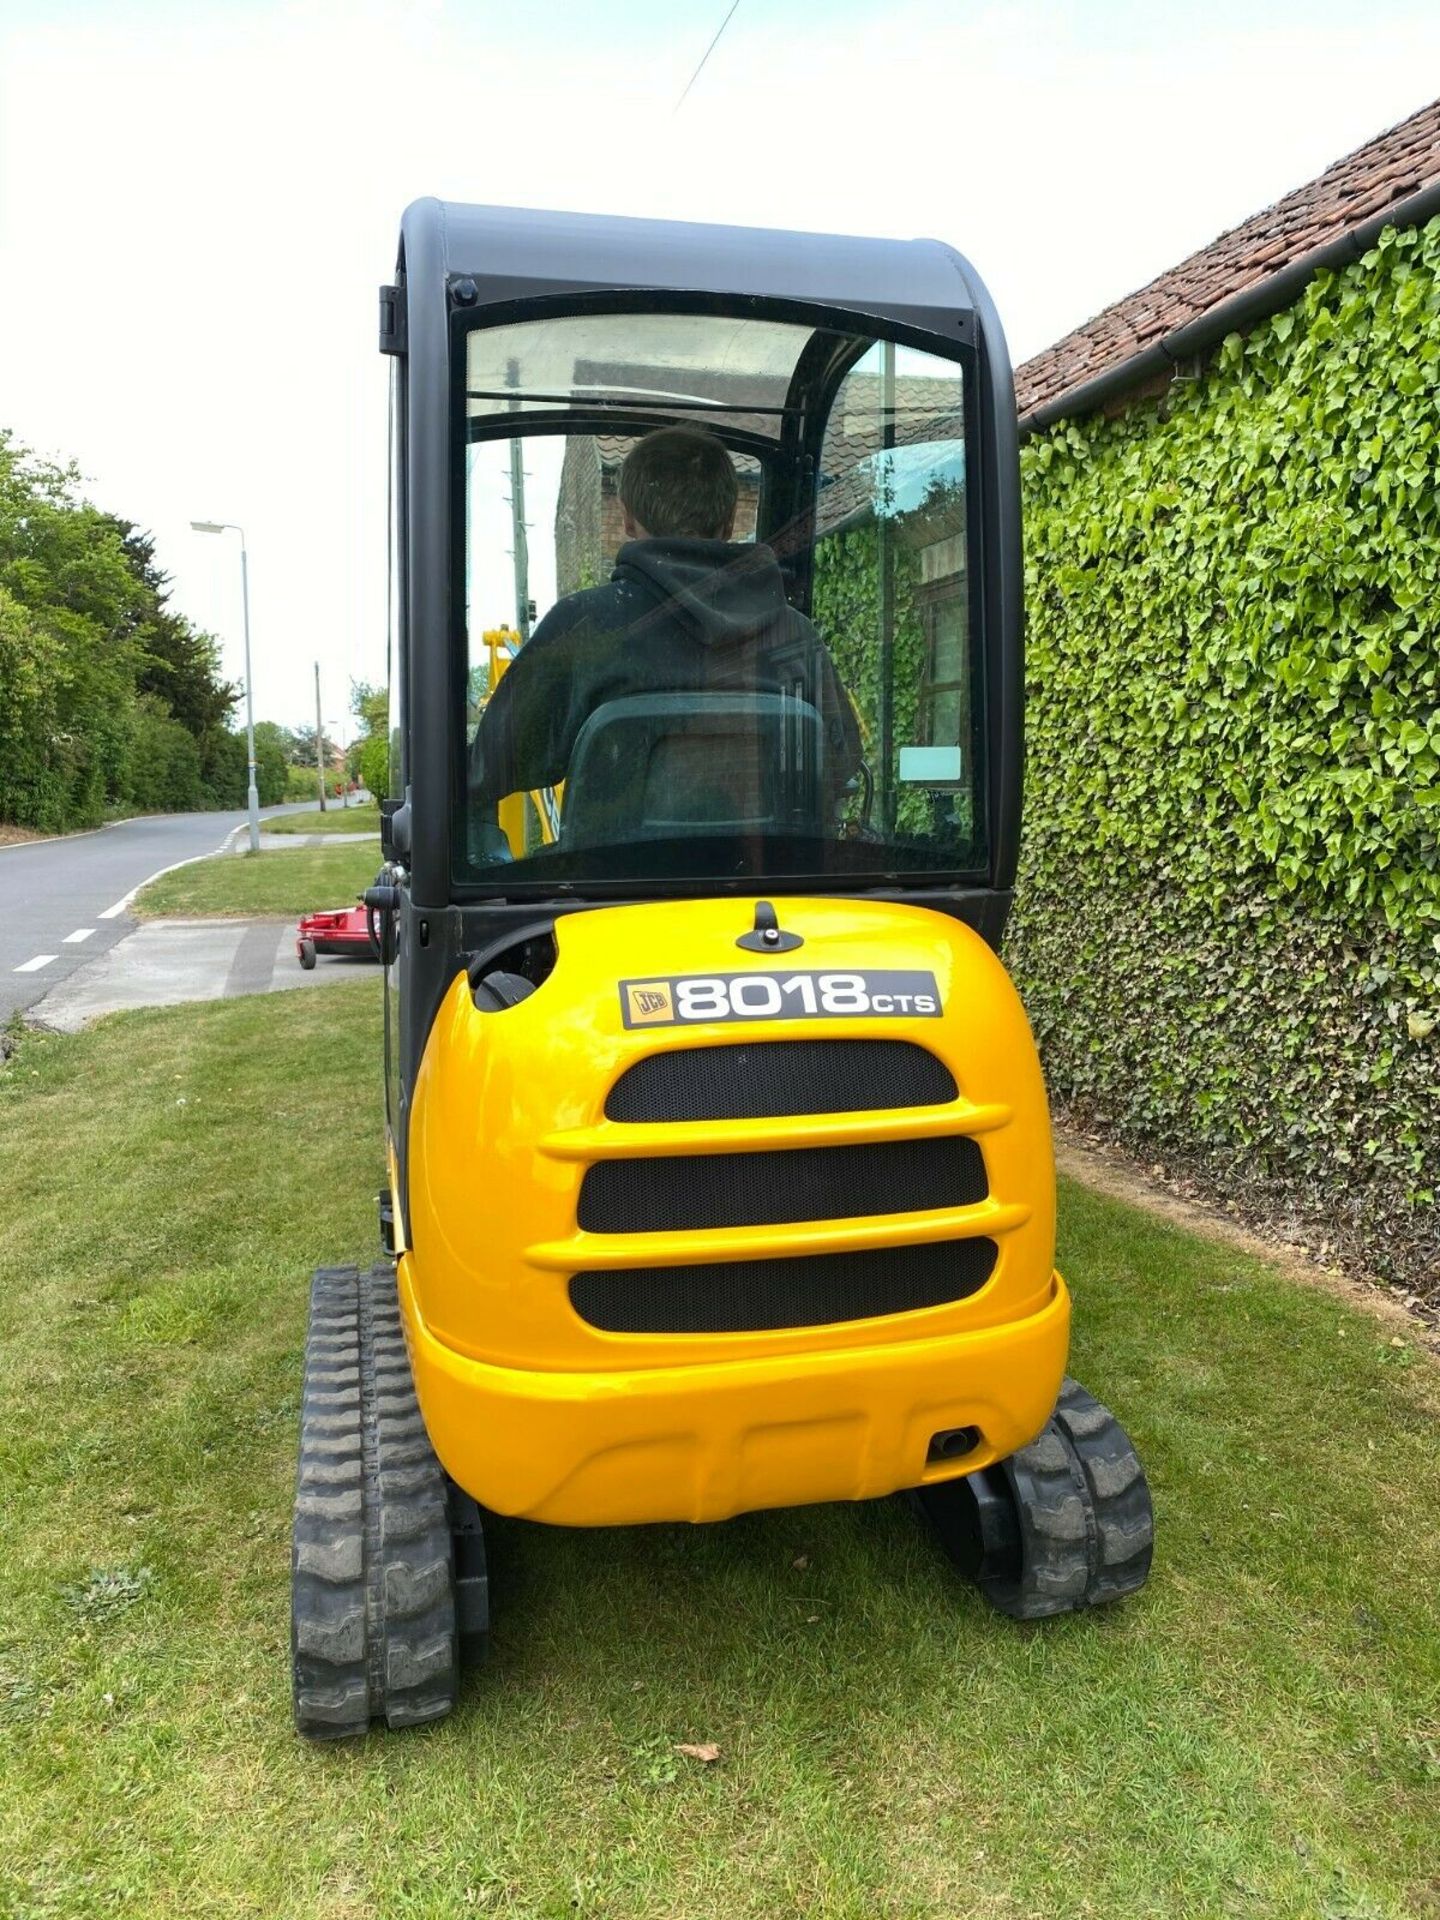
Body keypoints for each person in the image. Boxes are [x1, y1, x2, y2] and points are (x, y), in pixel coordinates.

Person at [470, 426, 861, 820]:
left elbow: (486, 770)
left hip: (614, 880)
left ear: (626, 519)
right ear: (728, 522)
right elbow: (840, 770)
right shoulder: (796, 636)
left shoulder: (582, 625)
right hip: (774, 880)